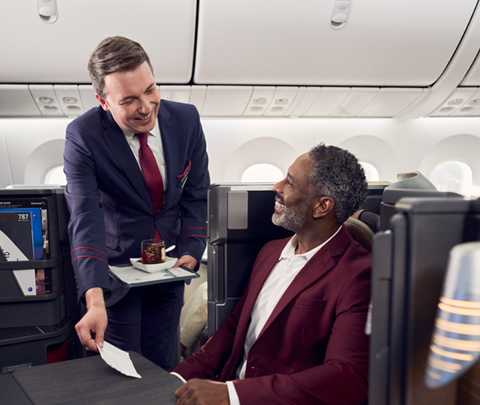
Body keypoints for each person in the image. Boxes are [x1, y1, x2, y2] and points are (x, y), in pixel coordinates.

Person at [173, 144, 371, 405]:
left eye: (289, 182)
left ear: (322, 206)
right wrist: (178, 377)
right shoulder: (271, 251)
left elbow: (347, 378)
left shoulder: (359, 274)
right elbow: (234, 326)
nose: (276, 187)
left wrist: (233, 395)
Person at [64, 36, 210, 370]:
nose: (145, 107)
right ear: (103, 101)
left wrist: (191, 248)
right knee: (123, 373)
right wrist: (94, 297)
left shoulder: (186, 121)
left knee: (162, 366)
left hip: (169, 269)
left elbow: (196, 193)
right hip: (116, 274)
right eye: (129, 100)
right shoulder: (83, 136)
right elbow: (85, 218)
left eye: (150, 90)